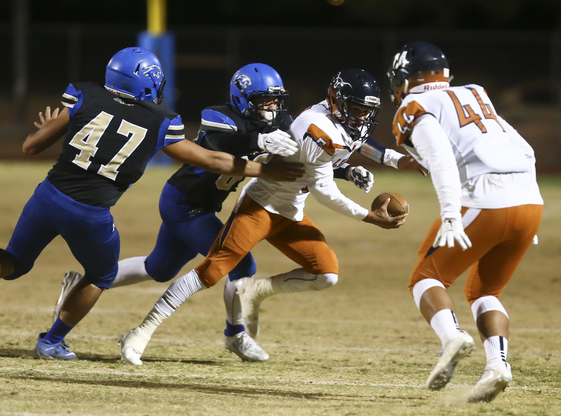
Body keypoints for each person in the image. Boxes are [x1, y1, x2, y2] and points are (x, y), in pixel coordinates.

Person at [0, 47, 304, 361]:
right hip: (91, 213)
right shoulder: (160, 122)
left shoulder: (84, 95)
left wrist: (48, 126)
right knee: (102, 275)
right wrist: (266, 168)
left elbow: (30, 147)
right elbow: (212, 159)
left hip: (47, 195)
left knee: (15, 261)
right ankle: (51, 341)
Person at [53, 64, 408, 362]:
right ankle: (201, 334)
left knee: (158, 267)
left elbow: (303, 163)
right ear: (243, 99)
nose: (270, 107)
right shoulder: (222, 117)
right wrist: (257, 142)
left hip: (223, 204)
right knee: (235, 267)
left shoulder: (286, 120)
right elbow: (222, 142)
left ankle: (85, 283)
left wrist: (346, 170)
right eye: (262, 101)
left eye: (274, 100)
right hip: (185, 201)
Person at [386, 40, 543, 402]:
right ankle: (497, 366)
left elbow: (440, 159)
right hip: (528, 201)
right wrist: (528, 206)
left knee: (426, 278)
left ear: (406, 78)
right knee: (485, 291)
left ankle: (452, 337)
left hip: (483, 198)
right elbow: (524, 148)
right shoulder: (475, 93)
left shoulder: (415, 105)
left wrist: (451, 214)